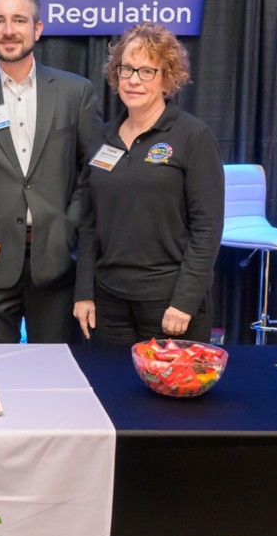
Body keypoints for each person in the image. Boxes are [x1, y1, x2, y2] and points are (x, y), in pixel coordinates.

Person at [0, 0, 102, 343]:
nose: (9, 30)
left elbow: (91, 172)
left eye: (19, 20)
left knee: (53, 367)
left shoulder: (75, 92)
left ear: (38, 28)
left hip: (57, 259)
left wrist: (68, 224)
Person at [73, 23, 224, 344]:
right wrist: (84, 292)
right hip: (108, 302)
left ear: (167, 78)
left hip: (169, 303)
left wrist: (185, 301)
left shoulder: (193, 136)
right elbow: (88, 224)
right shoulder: (103, 137)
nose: (133, 80)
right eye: (126, 69)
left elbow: (207, 229)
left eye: (146, 71)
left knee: (167, 379)